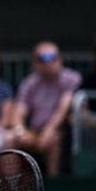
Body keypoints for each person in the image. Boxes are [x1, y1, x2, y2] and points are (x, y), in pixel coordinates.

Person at [11, 41, 82, 177]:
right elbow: (18, 112)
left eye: (52, 57)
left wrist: (49, 131)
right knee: (9, 138)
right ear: (35, 63)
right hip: (33, 132)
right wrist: (20, 132)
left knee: (53, 140)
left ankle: (52, 183)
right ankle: (12, 185)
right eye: (43, 59)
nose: (48, 63)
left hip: (59, 131)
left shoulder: (71, 79)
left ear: (60, 60)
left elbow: (62, 109)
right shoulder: (29, 83)